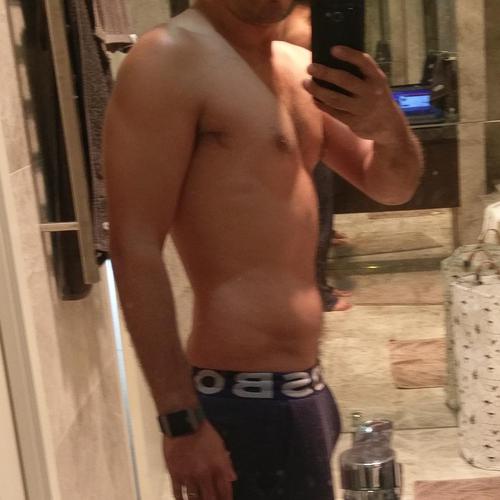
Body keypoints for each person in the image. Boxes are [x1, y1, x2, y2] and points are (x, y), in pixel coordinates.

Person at [103, 1, 423, 499]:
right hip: (236, 406)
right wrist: (181, 422)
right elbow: (134, 247)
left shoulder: (300, 69)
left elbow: (392, 186)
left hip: (309, 393)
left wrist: (388, 124)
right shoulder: (167, 59)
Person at [281, 0, 352, 312]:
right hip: (305, 123)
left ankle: (316, 286)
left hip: (302, 121)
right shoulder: (301, 26)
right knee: (319, 213)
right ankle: (320, 292)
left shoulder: (290, 22)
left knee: (317, 213)